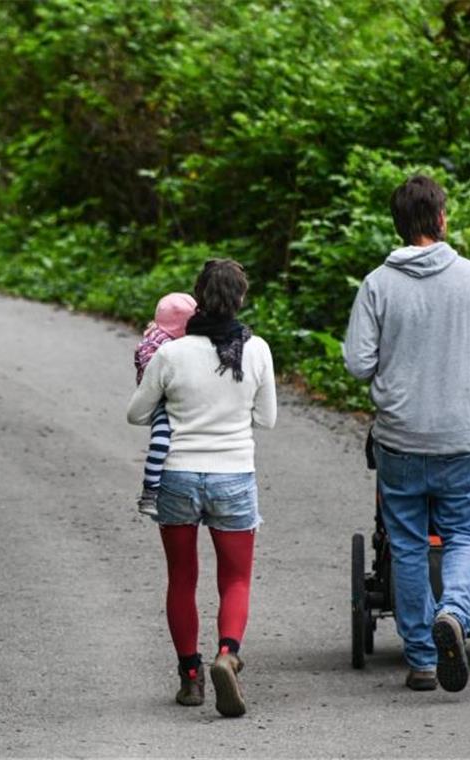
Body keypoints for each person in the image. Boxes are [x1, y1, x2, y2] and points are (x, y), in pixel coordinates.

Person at [343, 175, 470, 693]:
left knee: (409, 544)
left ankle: (421, 660)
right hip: (462, 437)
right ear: (441, 219)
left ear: (398, 224)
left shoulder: (377, 285)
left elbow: (356, 363)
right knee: (464, 533)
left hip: (400, 438)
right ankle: (456, 614)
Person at [126, 259, 277, 717]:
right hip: (233, 474)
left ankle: (190, 678)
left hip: (177, 475)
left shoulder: (171, 355)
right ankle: (227, 654)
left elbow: (136, 413)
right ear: (240, 300)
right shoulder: (257, 351)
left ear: (198, 296)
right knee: (235, 578)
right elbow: (266, 419)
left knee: (182, 577)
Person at [133, 292, 198, 516]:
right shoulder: (155, 343)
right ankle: (149, 491)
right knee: (161, 440)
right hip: (161, 400)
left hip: (180, 397)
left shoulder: (181, 342)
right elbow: (155, 374)